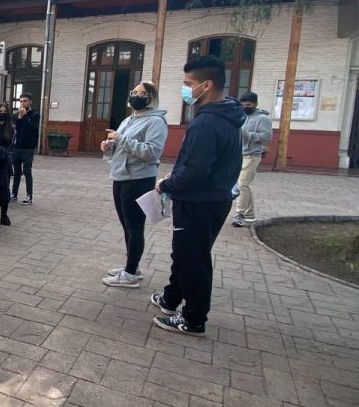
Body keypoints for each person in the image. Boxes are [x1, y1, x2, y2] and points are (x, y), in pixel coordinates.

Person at [152, 55, 245, 336]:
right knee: (185, 254)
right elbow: (203, 164)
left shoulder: (207, 123)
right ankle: (171, 299)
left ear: (206, 85)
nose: (185, 89)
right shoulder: (227, 114)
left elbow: (195, 173)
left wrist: (166, 185)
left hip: (199, 202)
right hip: (212, 198)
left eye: (187, 84)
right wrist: (177, 176)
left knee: (193, 259)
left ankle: (193, 319)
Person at [101, 82, 168, 288]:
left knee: (135, 227)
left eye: (141, 93)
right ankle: (132, 266)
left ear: (151, 98)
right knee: (126, 226)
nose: (135, 96)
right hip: (120, 177)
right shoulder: (128, 120)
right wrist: (108, 148)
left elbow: (151, 152)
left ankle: (130, 275)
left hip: (138, 180)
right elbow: (120, 147)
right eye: (133, 92)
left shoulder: (156, 122)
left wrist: (120, 139)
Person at [232, 91, 271, 227]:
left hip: (253, 154)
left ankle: (239, 214)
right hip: (239, 154)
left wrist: (249, 135)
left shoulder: (262, 118)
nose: (245, 107)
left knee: (242, 185)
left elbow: (267, 136)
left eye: (248, 105)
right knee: (244, 185)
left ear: (255, 104)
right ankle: (250, 214)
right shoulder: (241, 116)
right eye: (243, 105)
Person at [11, 92, 40, 205]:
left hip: (28, 148)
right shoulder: (16, 115)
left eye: (25, 101)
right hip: (17, 148)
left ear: (30, 102)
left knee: (27, 171)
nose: (23, 103)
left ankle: (29, 196)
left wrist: (25, 116)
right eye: (21, 101)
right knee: (16, 172)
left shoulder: (34, 114)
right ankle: (14, 194)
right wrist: (20, 117)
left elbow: (31, 129)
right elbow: (16, 130)